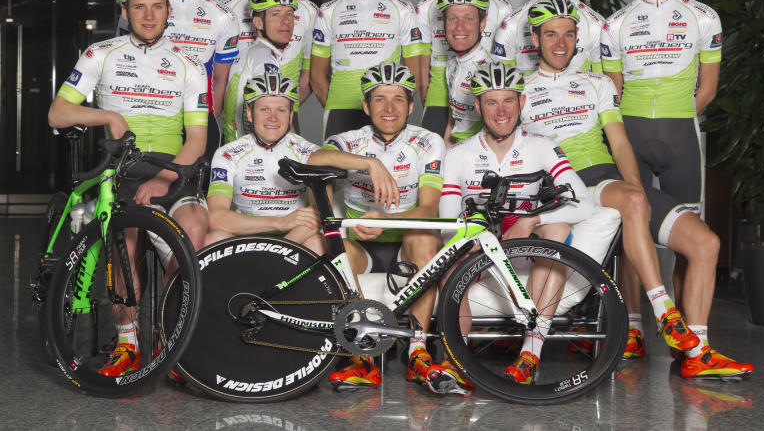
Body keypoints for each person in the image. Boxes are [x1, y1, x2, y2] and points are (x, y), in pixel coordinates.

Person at [600, 0, 753, 378]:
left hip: (681, 136)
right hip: (632, 133)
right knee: (631, 237)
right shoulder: (615, 24)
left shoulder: (702, 17)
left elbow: (708, 89)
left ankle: (692, 343)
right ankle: (633, 329)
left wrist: (676, 117)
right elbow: (613, 93)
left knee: (691, 242)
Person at [519, 0, 704, 362]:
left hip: (603, 175)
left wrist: (636, 188)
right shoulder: (520, 90)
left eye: (569, 34)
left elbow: (619, 143)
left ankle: (674, 323)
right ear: (535, 39)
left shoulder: (597, 83)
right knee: (632, 202)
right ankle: (664, 310)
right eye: (551, 34)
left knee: (650, 209)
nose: (561, 43)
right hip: (560, 182)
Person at [48, 0, 209, 376]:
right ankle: (127, 344)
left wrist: (163, 179)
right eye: (139, 7)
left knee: (192, 230)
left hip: (174, 170)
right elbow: (58, 113)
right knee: (126, 242)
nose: (149, 15)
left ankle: (171, 336)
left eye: (157, 6)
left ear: (169, 11)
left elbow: (197, 139)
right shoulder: (100, 54)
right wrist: (107, 115)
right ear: (125, 12)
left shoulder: (190, 65)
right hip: (123, 169)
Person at [439, 62, 593, 386]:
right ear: (478, 105)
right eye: (491, 102)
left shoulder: (541, 146)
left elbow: (585, 202)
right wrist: (468, 239)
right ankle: (456, 361)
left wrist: (532, 219)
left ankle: (529, 356)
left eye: (508, 100)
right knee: (450, 260)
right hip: (478, 254)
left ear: (522, 102)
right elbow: (447, 222)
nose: (501, 112)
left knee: (557, 231)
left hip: (527, 250)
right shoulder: (457, 154)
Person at [306, 63, 449, 394]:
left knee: (426, 235)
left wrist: (383, 221)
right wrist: (370, 163)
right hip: (362, 247)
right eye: (379, 99)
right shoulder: (349, 140)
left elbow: (428, 208)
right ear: (366, 106)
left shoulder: (427, 141)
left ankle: (418, 353)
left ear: (411, 106)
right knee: (332, 246)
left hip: (406, 246)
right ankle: (362, 356)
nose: (389, 108)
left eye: (398, 99)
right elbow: (314, 160)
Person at [119, 0, 241, 164]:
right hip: (145, 119)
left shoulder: (224, 16)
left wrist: (204, 121)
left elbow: (220, 80)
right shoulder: (140, 8)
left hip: (199, 120)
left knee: (196, 188)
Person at [310, 0, 425, 138]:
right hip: (340, 112)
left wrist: (392, 109)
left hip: (385, 112)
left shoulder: (403, 10)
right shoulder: (328, 11)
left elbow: (414, 76)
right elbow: (316, 76)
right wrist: (336, 107)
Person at [206, 72, 324, 254]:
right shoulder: (228, 153)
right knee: (213, 239)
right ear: (249, 114)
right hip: (248, 235)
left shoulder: (311, 153)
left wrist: (279, 250)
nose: (273, 118)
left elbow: (320, 216)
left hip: (295, 237)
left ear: (290, 115)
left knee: (317, 242)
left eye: (281, 110)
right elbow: (216, 218)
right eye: (264, 109)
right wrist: (279, 222)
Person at [416, 0, 512, 136]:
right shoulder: (426, 7)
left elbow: (506, 65)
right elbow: (423, 69)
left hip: (484, 101)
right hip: (438, 103)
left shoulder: (503, 9)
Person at [222, 0, 316, 122]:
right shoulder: (226, 9)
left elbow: (310, 77)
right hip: (235, 124)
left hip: (284, 120)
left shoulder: (309, 11)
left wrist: (282, 110)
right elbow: (217, 76)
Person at [222, 0, 305, 142]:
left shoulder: (255, 52)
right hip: (250, 149)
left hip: (239, 145)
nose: (285, 21)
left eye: (289, 14)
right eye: (275, 14)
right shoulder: (263, 55)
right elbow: (274, 114)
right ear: (258, 23)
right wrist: (298, 149)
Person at [437, 0, 494, 145]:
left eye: (468, 19)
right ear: (443, 24)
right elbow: (453, 122)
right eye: (452, 18)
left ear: (482, 24)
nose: (459, 27)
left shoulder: (489, 71)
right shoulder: (452, 64)